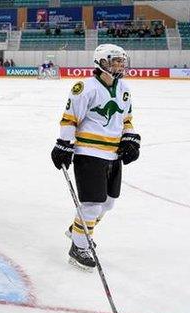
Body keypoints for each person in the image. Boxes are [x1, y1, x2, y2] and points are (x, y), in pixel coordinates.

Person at [51, 44, 140, 271]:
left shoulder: (124, 88)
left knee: (108, 204)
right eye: (115, 60)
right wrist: (64, 145)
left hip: (113, 154)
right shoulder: (85, 88)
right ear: (101, 62)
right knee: (92, 204)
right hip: (89, 153)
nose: (120, 64)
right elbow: (69, 118)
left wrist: (130, 139)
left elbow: (126, 120)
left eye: (122, 60)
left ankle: (77, 229)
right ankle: (78, 247)